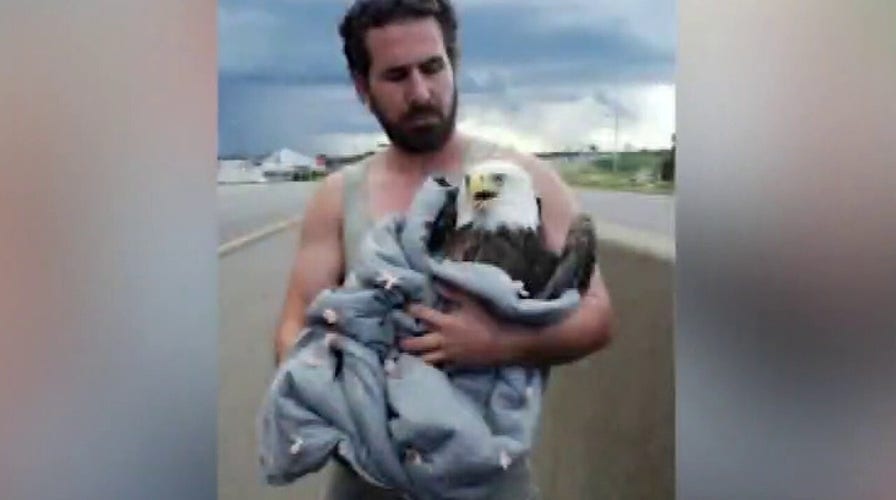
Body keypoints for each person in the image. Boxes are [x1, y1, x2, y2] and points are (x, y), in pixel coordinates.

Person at [273, 0, 614, 498]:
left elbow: (598, 314)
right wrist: (335, 392)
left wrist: (500, 344)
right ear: (363, 89)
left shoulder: (515, 179)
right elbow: (295, 320)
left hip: (488, 478)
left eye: (433, 67)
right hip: (367, 479)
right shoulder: (340, 195)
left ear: (453, 64)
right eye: (396, 76)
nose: (420, 92)